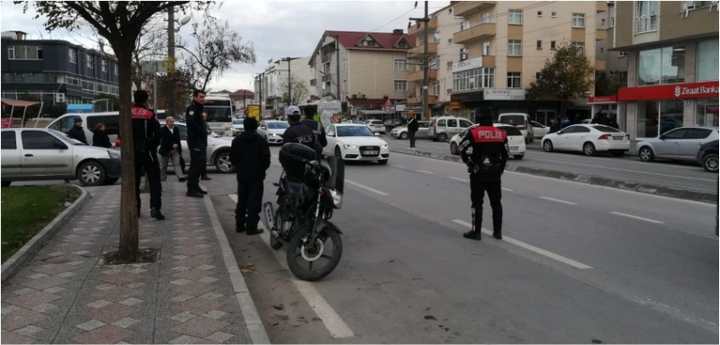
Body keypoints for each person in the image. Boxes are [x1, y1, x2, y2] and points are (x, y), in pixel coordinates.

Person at [457, 109, 509, 240]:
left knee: (477, 203)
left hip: (478, 173)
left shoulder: (474, 132)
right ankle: (498, 232)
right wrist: (500, 170)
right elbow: (506, 154)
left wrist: (470, 164)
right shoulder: (501, 134)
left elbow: (461, 148)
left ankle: (476, 232)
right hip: (495, 174)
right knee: (496, 203)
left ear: (479, 119)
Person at [230, 117, 270, 235]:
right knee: (254, 201)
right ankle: (251, 227)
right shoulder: (260, 140)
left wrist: (239, 168)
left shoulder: (237, 140)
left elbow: (233, 158)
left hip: (242, 175)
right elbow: (266, 159)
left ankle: (240, 225)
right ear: (256, 127)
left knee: (242, 199)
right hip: (256, 175)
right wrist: (261, 170)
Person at [132, 90, 164, 220]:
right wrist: (150, 146)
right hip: (148, 153)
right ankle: (155, 208)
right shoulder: (150, 115)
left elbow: (121, 134)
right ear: (146, 100)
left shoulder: (127, 114)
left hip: (132, 154)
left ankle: (135, 209)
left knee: (133, 182)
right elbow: (157, 136)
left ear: (134, 99)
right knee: (155, 181)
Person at [186, 89, 208, 198]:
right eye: (200, 97)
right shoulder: (192, 109)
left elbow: (202, 124)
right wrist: (202, 131)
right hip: (195, 142)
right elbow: (192, 125)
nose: (203, 99)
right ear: (195, 97)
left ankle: (196, 186)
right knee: (195, 166)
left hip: (201, 141)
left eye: (203, 97)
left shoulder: (200, 109)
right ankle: (191, 189)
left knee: (200, 165)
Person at [159, 116, 186, 182]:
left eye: (173, 121)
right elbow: (163, 141)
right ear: (167, 122)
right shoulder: (162, 130)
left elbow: (178, 139)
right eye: (171, 121)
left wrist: (179, 150)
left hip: (175, 150)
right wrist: (171, 145)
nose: (172, 123)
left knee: (177, 164)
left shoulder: (176, 129)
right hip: (165, 150)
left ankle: (180, 177)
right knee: (163, 166)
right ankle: (162, 178)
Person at [200, 111, 212, 181]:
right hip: (199, 143)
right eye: (204, 117)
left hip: (204, 143)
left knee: (203, 160)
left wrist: (207, 131)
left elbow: (209, 131)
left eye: (205, 117)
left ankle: (204, 175)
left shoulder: (206, 123)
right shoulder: (199, 123)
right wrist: (205, 131)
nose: (205, 118)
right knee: (200, 160)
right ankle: (202, 175)